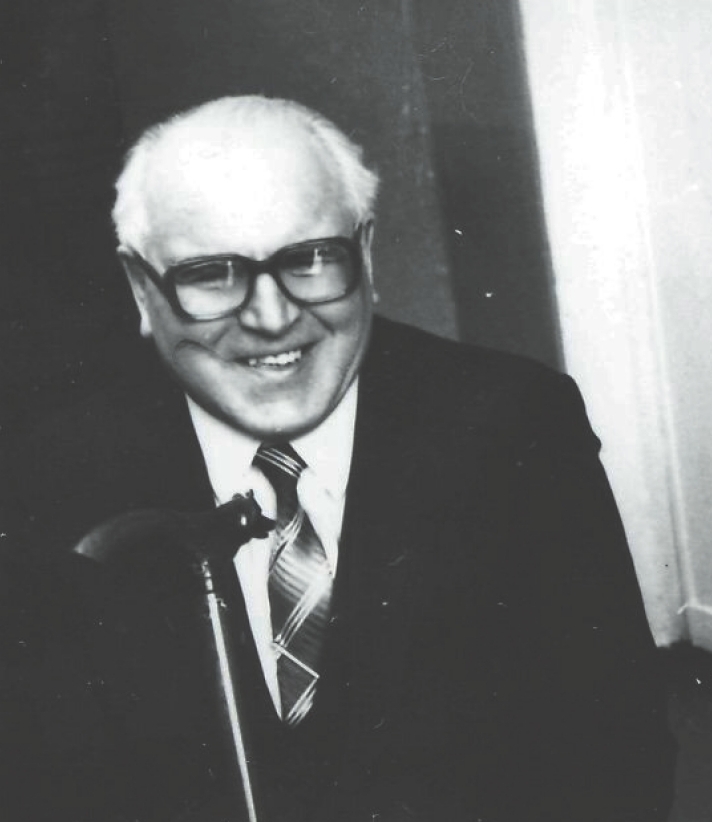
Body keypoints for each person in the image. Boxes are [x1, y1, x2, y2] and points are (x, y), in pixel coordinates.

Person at [0, 95, 674, 821]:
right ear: (141, 287)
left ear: (366, 253)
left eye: (311, 259)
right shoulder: (49, 476)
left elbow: (612, 754)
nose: (271, 318)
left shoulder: (515, 427)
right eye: (211, 274)